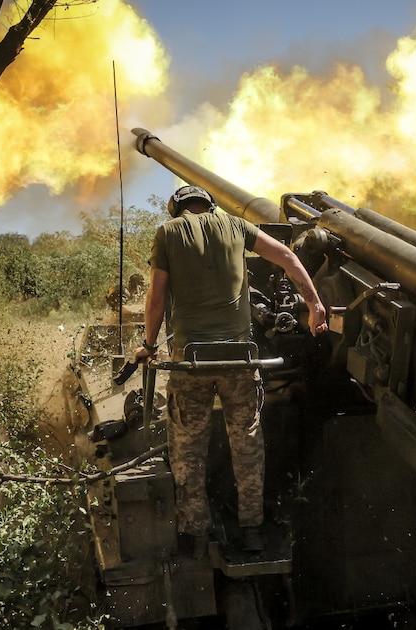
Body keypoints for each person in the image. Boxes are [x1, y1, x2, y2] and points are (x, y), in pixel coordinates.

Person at [133, 185, 327, 556]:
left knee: (188, 449)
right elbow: (287, 255)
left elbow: (156, 297)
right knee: (248, 446)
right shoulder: (237, 227)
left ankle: (198, 535)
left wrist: (150, 343)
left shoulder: (167, 232)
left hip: (192, 361)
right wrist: (314, 303)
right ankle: (252, 531)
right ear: (210, 205)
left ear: (177, 209)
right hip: (242, 359)